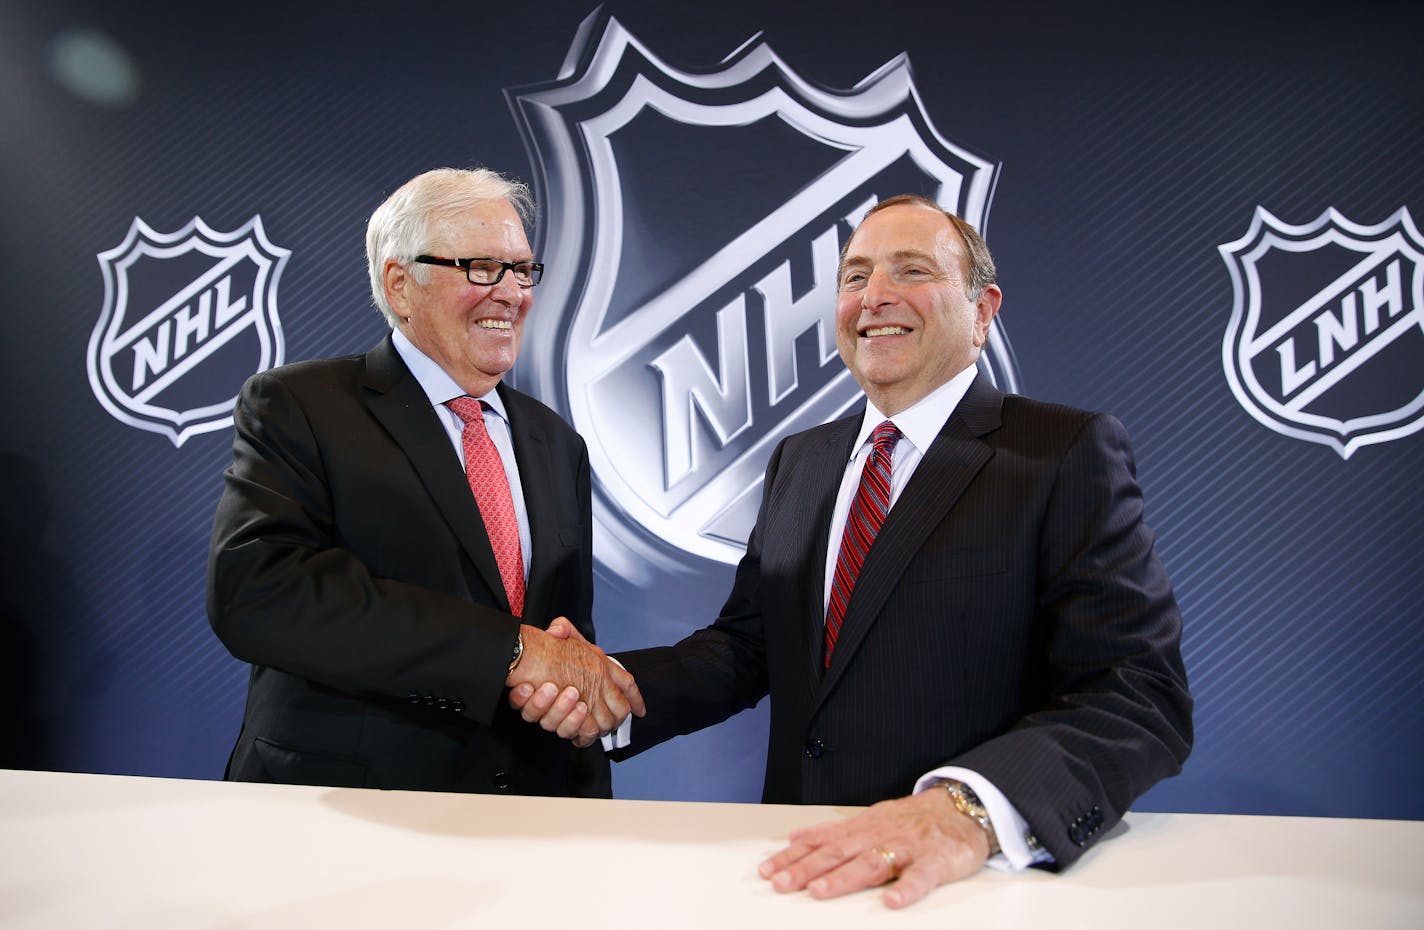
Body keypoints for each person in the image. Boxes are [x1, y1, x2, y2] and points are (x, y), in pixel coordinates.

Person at [514, 194, 1192, 905]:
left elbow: (1137, 694)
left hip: (966, 887)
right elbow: (749, 647)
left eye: (912, 270)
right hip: (799, 871)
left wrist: (966, 811)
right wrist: (615, 691)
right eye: (855, 276)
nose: (875, 297)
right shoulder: (801, 462)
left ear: (984, 310)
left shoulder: (1061, 452)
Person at [208, 167, 641, 797]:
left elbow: (563, 642)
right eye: (482, 268)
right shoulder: (300, 405)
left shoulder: (555, 442)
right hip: (346, 813)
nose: (513, 293)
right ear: (400, 283)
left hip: (530, 817)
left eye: (522, 270)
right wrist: (509, 651)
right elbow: (260, 593)